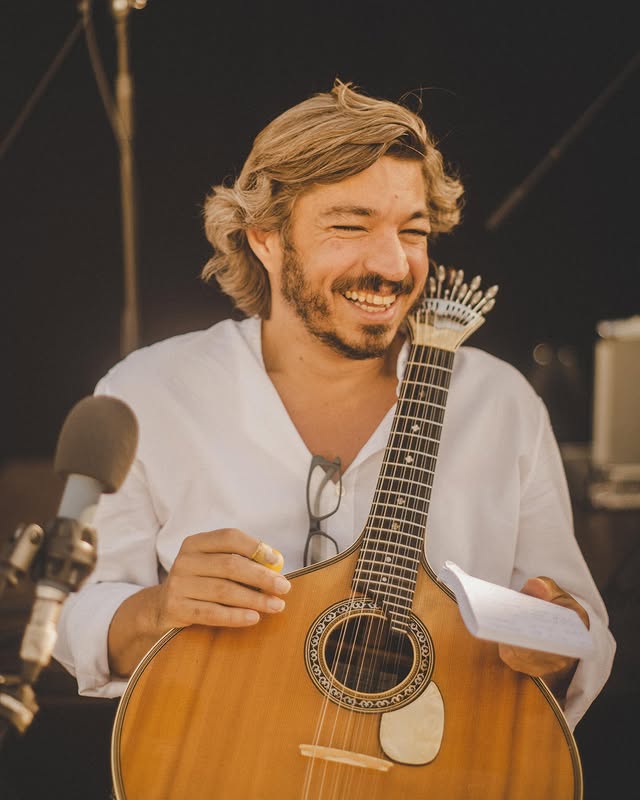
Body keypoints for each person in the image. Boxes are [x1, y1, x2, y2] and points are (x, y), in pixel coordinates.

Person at [53, 80, 614, 731]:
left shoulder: (500, 401)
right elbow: (72, 620)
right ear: (264, 237)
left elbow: (581, 633)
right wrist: (158, 607)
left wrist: (555, 638)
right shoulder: (148, 392)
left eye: (414, 230)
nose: (393, 264)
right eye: (350, 226)